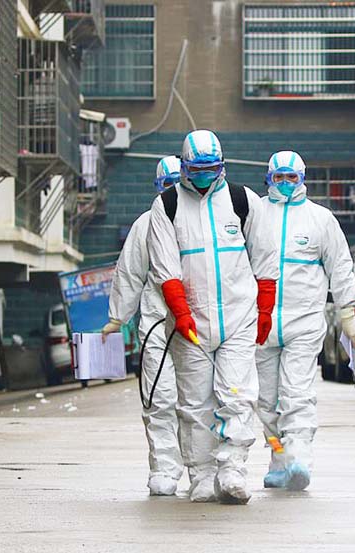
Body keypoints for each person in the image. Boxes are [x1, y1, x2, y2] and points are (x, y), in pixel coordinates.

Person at [147, 130, 277, 504]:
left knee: (237, 395)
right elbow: (165, 266)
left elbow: (265, 261)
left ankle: (233, 468)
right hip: (190, 323)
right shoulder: (167, 205)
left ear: (222, 165)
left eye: (211, 168)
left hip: (238, 317)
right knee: (194, 403)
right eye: (196, 169)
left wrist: (264, 310)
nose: (204, 175)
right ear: (184, 166)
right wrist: (181, 312)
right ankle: (201, 474)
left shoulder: (242, 201)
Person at [254, 151, 355, 491]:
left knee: (297, 394)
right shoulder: (255, 214)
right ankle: (278, 459)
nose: (285, 184)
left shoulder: (321, 219)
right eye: (278, 178)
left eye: (291, 178)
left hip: (304, 321)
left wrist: (347, 312)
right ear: (269, 178)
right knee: (265, 402)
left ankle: (299, 460)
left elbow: (340, 265)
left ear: (303, 179)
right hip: (261, 323)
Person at [102, 156, 184, 496]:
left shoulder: (210, 221)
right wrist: (116, 317)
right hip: (158, 326)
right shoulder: (145, 226)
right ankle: (165, 467)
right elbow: (130, 273)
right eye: (168, 186)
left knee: (204, 401)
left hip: (204, 328)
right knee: (160, 398)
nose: (174, 194)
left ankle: (205, 468)